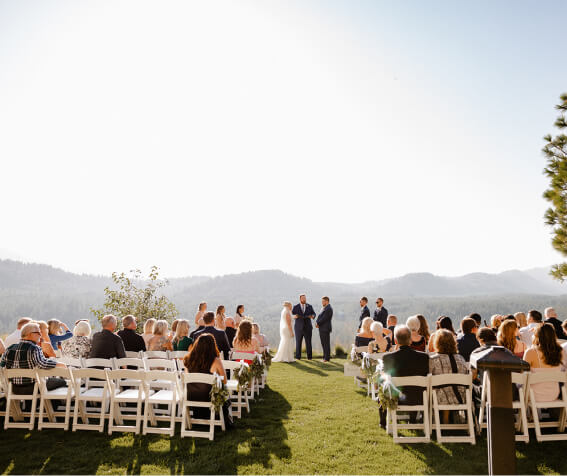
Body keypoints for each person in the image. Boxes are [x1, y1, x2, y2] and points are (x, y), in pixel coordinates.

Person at [380, 325, 429, 428]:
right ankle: (412, 419)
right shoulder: (424, 357)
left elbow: (383, 380)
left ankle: (383, 422)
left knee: (385, 386)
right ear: (410, 340)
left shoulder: (388, 357)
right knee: (413, 388)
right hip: (418, 398)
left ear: (396, 341)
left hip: (396, 399)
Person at [0, 322, 67, 396]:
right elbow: (42, 364)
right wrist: (60, 364)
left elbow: (2, 366)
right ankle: (50, 406)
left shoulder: (10, 348)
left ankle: (32, 406)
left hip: (13, 388)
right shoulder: (34, 348)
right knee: (62, 382)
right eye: (38, 333)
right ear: (30, 334)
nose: (40, 335)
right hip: (32, 388)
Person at [183, 333, 233, 428]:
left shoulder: (187, 359)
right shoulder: (216, 361)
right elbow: (225, 381)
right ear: (212, 346)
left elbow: (187, 379)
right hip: (209, 397)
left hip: (191, 396)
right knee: (224, 392)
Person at [429, 329, 469, 423]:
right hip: (461, 397)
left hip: (439, 398)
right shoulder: (460, 358)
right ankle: (450, 417)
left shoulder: (433, 360)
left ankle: (439, 419)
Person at [523, 323, 563, 402]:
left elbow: (523, 374)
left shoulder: (531, 352)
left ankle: (529, 413)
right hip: (554, 394)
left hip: (533, 395)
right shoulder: (560, 351)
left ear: (537, 336)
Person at [292, 294, 316, 360]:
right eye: (303, 298)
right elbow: (292, 314)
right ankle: (298, 357)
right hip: (298, 328)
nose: (304, 299)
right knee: (298, 343)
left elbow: (314, 313)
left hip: (308, 327)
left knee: (308, 343)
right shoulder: (295, 307)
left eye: (305, 298)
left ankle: (310, 357)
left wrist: (313, 316)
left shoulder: (310, 306)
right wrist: (294, 316)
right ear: (300, 299)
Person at [316, 296, 333, 363]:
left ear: (327, 301)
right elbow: (320, 316)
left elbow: (324, 318)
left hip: (325, 328)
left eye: (323, 301)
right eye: (322, 301)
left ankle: (326, 358)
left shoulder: (328, 308)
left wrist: (318, 323)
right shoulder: (324, 308)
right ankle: (324, 357)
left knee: (326, 344)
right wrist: (317, 322)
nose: (322, 302)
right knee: (323, 343)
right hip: (322, 328)